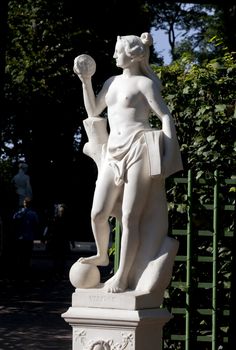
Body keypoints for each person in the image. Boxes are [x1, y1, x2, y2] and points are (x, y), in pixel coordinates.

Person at [73, 32, 182, 293]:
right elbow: (93, 112)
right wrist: (86, 81)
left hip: (139, 148)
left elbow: (165, 117)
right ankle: (102, 254)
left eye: (118, 50)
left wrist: (167, 155)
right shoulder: (111, 82)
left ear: (133, 54)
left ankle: (123, 274)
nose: (113, 55)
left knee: (130, 216)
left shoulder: (145, 85)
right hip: (112, 152)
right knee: (98, 213)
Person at [42, 203, 74, 279]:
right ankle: (55, 272)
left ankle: (60, 272)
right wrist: (44, 237)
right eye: (61, 211)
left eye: (63, 211)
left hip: (63, 242)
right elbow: (48, 228)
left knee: (62, 258)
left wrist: (72, 242)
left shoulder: (66, 221)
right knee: (55, 258)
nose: (62, 213)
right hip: (56, 241)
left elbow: (69, 232)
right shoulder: (54, 220)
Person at [13, 197, 39, 280]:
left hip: (20, 237)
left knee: (20, 255)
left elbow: (14, 220)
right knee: (27, 255)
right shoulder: (33, 214)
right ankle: (25, 270)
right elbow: (36, 225)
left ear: (24, 204)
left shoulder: (19, 212)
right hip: (28, 237)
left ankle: (20, 271)